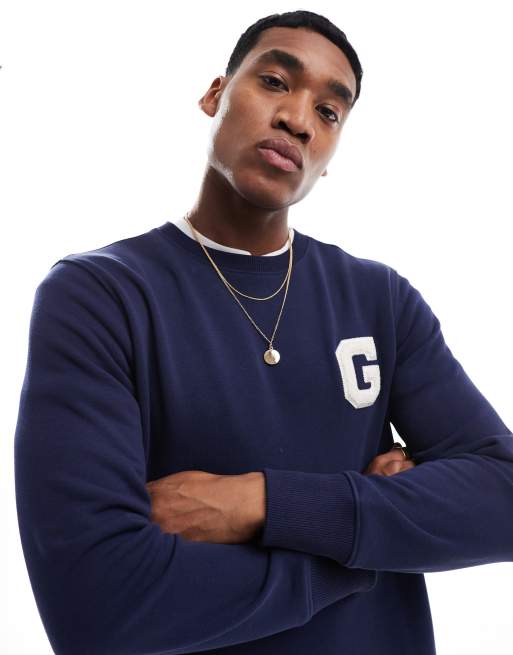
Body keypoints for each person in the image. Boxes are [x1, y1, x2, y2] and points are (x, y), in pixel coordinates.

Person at [14, 9, 513, 655]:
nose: (298, 120)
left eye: (329, 112)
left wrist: (260, 502)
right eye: (275, 81)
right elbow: (97, 608)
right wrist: (367, 547)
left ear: (329, 156)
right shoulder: (100, 296)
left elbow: (502, 498)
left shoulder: (379, 300)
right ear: (215, 94)